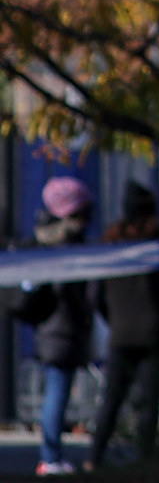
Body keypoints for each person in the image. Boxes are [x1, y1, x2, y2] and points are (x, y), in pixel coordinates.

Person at [87, 183, 159, 472]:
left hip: (121, 333)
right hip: (156, 332)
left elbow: (96, 296)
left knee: (111, 400)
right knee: (149, 400)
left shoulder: (111, 245)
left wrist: (113, 318)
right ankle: (145, 459)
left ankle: (94, 457)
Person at [15, 174, 94, 475]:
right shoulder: (70, 243)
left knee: (55, 390)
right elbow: (74, 291)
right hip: (64, 329)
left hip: (48, 328)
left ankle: (51, 456)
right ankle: (50, 457)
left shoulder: (43, 238)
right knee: (58, 393)